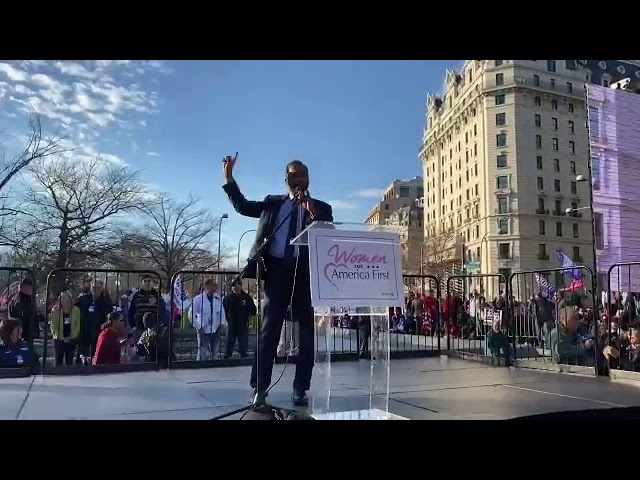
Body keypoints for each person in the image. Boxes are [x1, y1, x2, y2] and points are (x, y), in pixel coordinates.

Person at [222, 154, 333, 406]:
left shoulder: (322, 208)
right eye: (291, 175)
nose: (295, 178)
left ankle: (300, 389)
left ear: (307, 179)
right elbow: (243, 206)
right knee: (268, 331)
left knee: (307, 335)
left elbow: (327, 239)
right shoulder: (274, 204)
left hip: (305, 275)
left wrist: (313, 214)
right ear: (285, 180)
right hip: (277, 273)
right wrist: (229, 179)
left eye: (299, 174)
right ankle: (259, 389)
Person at [75, 279, 113, 364]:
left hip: (99, 332)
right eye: (94, 287)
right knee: (82, 356)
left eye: (99, 287)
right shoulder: (83, 299)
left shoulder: (106, 301)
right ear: (90, 287)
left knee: (97, 357)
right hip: (84, 333)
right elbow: (74, 311)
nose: (97, 289)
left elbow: (110, 316)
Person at [189, 278, 227, 361]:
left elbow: (222, 312)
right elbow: (191, 314)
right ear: (207, 286)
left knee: (215, 352)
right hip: (204, 330)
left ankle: (214, 369)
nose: (215, 287)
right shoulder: (198, 299)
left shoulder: (217, 298)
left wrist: (222, 323)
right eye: (213, 285)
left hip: (215, 329)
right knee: (203, 353)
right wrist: (198, 327)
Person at [223, 279, 256, 359]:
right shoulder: (228, 298)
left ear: (240, 286)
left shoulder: (246, 297)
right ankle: (227, 360)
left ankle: (243, 359)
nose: (234, 288)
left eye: (236, 285)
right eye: (233, 286)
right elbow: (224, 311)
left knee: (243, 346)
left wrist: (246, 305)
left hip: (243, 325)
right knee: (229, 345)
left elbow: (253, 311)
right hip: (231, 325)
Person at [50, 292, 81, 366]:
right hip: (59, 339)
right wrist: (58, 336)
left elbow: (78, 325)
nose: (65, 300)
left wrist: (73, 336)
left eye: (67, 298)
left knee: (69, 361)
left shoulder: (76, 310)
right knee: (58, 361)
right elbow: (53, 325)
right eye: (63, 298)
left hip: (71, 338)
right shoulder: (55, 310)